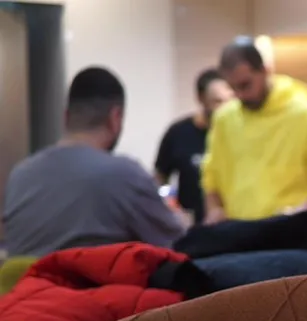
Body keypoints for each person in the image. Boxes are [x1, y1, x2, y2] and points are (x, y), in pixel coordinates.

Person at [1, 67, 187, 257]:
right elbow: (177, 244)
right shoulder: (124, 175)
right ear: (115, 118)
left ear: (66, 117)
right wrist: (181, 219)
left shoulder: (20, 175)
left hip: (23, 277)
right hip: (89, 277)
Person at [201, 38, 307, 223]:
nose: (240, 95)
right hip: (240, 228)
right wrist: (215, 209)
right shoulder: (224, 119)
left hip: (288, 228)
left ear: (265, 71)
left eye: (245, 85)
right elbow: (211, 177)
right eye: (233, 88)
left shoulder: (304, 113)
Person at [154, 68, 234, 226]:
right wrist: (171, 210)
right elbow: (159, 179)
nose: (225, 109)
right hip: (192, 227)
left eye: (230, 101)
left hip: (232, 224)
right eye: (217, 102)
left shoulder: (238, 133)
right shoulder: (178, 133)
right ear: (201, 99)